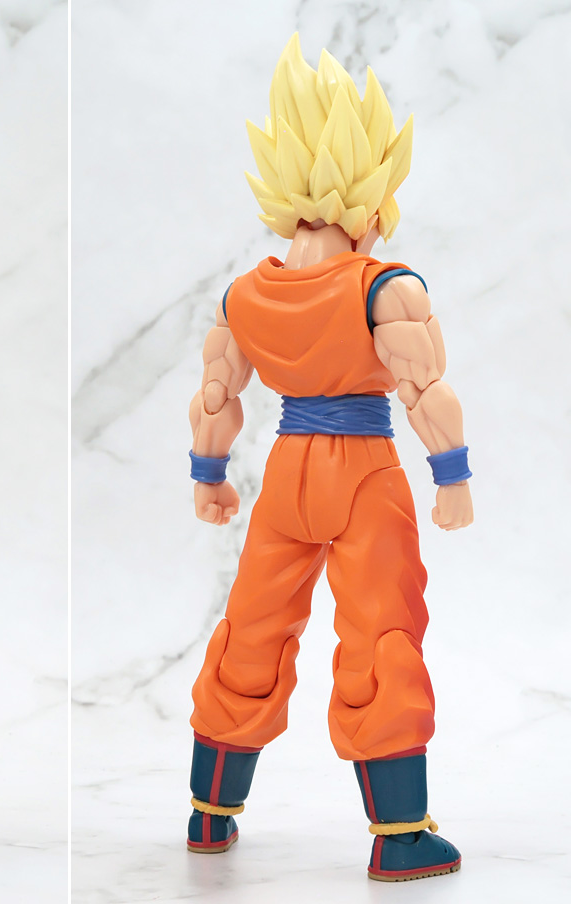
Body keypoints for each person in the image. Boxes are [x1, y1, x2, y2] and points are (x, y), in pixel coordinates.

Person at [185, 33, 472, 882]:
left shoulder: (246, 293)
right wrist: (452, 477)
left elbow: (215, 397)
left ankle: (209, 813)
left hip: (286, 472)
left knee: (252, 627)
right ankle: (401, 833)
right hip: (362, 470)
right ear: (372, 200)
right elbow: (426, 392)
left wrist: (208, 476)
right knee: (381, 631)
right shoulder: (386, 285)